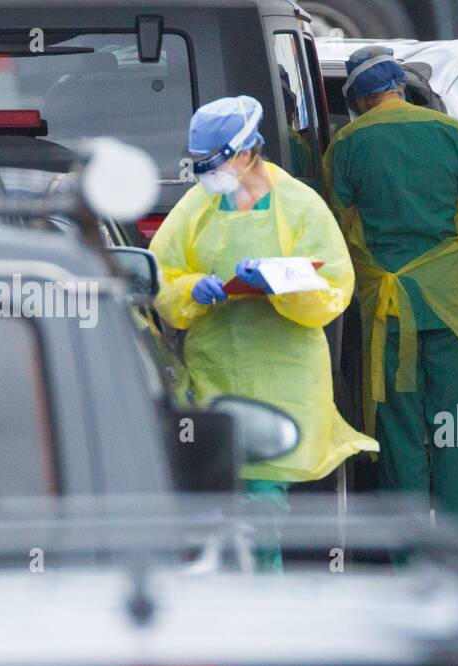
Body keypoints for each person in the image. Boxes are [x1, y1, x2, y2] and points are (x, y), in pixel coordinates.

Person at [150, 95, 376, 539]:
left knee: (263, 498)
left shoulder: (299, 204)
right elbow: (160, 274)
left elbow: (334, 288)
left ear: (247, 150)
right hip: (216, 368)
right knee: (224, 491)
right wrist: (191, 288)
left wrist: (281, 285)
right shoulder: (198, 207)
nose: (206, 175)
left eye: (214, 162)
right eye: (199, 164)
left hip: (284, 374)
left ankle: (261, 579)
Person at [323, 46, 458, 520]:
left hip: (386, 309)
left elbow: (339, 229)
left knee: (397, 431)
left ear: (359, 99)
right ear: (400, 87)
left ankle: (409, 556)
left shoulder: (344, 146)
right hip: (452, 304)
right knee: (454, 426)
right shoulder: (451, 132)